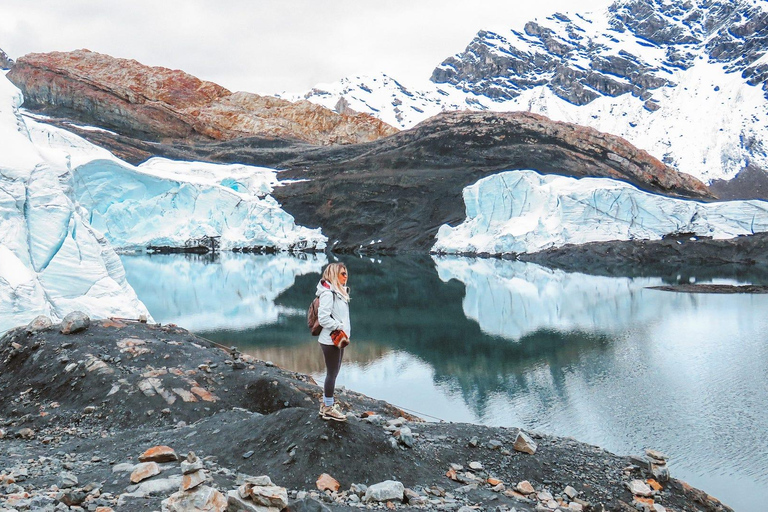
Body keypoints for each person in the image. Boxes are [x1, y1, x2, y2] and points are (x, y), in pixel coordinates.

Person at [315, 262, 351, 422]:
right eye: (342, 274)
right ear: (333, 274)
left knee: (334, 372)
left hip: (339, 337)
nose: (346, 276)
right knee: (331, 373)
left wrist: (342, 329)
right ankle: (328, 407)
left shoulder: (338, 292)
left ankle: (327, 404)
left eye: (346, 273)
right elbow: (323, 318)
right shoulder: (328, 293)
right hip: (331, 339)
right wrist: (339, 326)